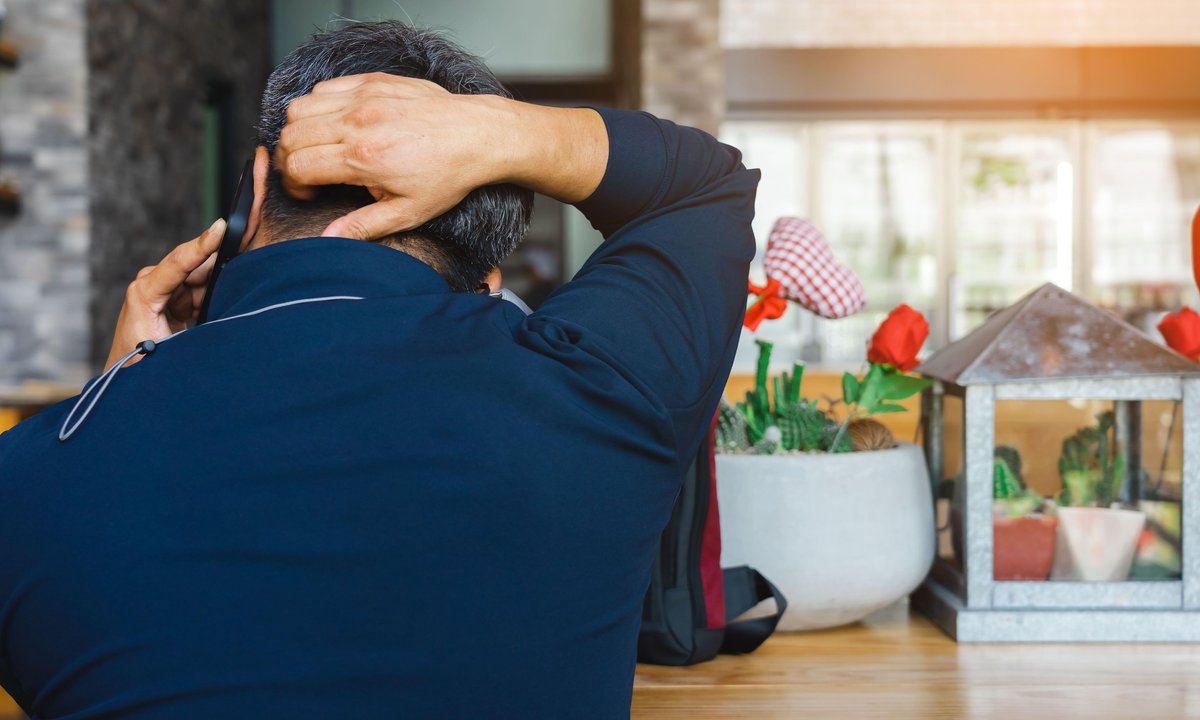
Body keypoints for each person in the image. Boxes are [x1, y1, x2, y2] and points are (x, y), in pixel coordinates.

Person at [0, 21, 757, 719]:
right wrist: (499, 135)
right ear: (487, 260)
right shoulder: (597, 396)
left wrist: (112, 397)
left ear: (252, 191)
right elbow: (703, 189)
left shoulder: (26, 479)